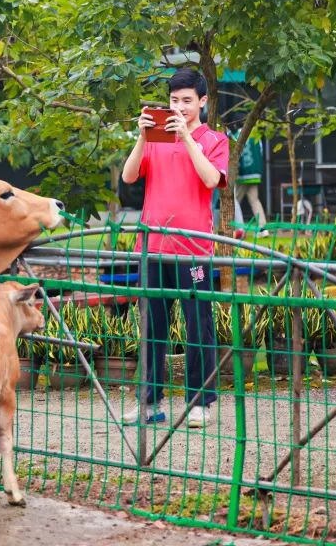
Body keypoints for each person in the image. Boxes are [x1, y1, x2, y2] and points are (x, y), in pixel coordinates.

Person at [120, 68, 229, 429]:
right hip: (153, 246)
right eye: (173, 101)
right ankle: (150, 402)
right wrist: (141, 137)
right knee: (152, 325)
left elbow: (212, 179)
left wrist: (186, 139)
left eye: (186, 101)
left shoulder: (214, 139)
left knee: (198, 325)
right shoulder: (155, 139)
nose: (179, 107)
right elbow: (129, 176)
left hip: (193, 247)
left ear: (202, 102)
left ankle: (201, 403)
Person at [233, 128, 268, 233]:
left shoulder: (236, 135)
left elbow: (234, 154)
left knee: (233, 202)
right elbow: (261, 152)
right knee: (254, 201)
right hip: (255, 173)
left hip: (242, 174)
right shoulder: (255, 134)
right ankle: (263, 229)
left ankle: (238, 229)